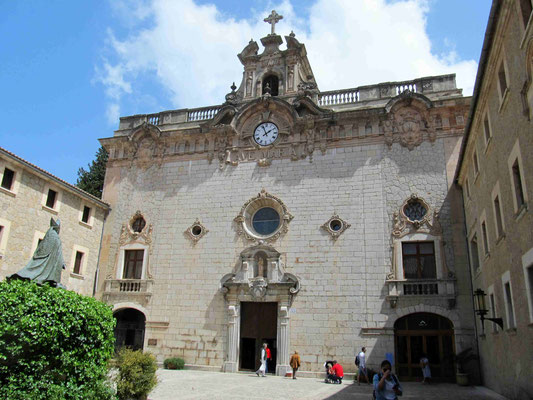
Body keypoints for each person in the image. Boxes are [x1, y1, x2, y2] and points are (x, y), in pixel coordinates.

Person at [8, 218, 65, 286]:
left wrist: (62, 262)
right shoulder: (54, 235)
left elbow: (58, 251)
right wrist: (62, 262)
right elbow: (54, 251)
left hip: (51, 261)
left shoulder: (51, 234)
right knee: (38, 270)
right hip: (49, 261)